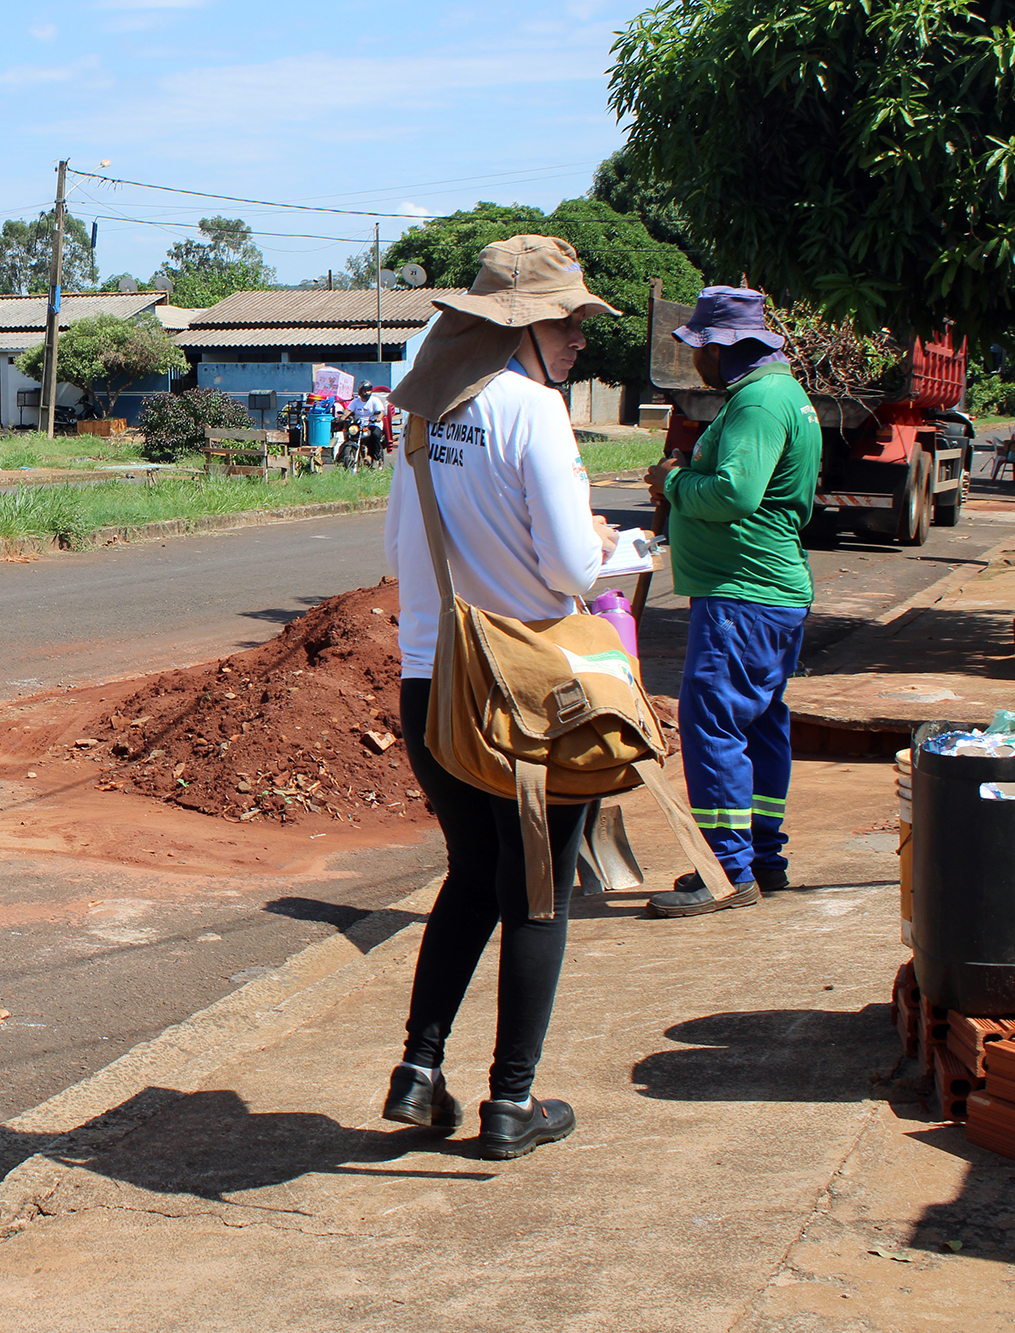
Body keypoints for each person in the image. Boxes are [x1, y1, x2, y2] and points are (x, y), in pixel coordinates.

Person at [380, 235, 621, 1160]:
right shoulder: (534, 413)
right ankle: (513, 1105)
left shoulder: (425, 410)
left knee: (472, 875)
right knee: (538, 896)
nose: (577, 340)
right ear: (521, 326)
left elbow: (397, 554)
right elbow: (569, 567)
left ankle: (418, 1068)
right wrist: (601, 543)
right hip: (521, 697)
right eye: (565, 322)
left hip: (429, 686)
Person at [642, 286, 819, 917]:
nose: (694, 362)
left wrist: (673, 480)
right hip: (767, 595)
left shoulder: (758, 403)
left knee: (712, 726)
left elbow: (734, 494)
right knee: (760, 724)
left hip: (742, 596)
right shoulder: (782, 396)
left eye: (698, 349)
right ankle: (762, 859)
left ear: (723, 348)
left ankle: (726, 870)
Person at [347, 382, 389, 461]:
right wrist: (342, 418)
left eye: (369, 390)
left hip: (373, 424)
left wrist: (378, 418)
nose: (367, 393)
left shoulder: (375, 400)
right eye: (364, 391)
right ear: (360, 391)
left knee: (375, 435)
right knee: (349, 433)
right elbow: (348, 410)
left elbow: (381, 412)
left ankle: (376, 457)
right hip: (359, 425)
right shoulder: (355, 402)